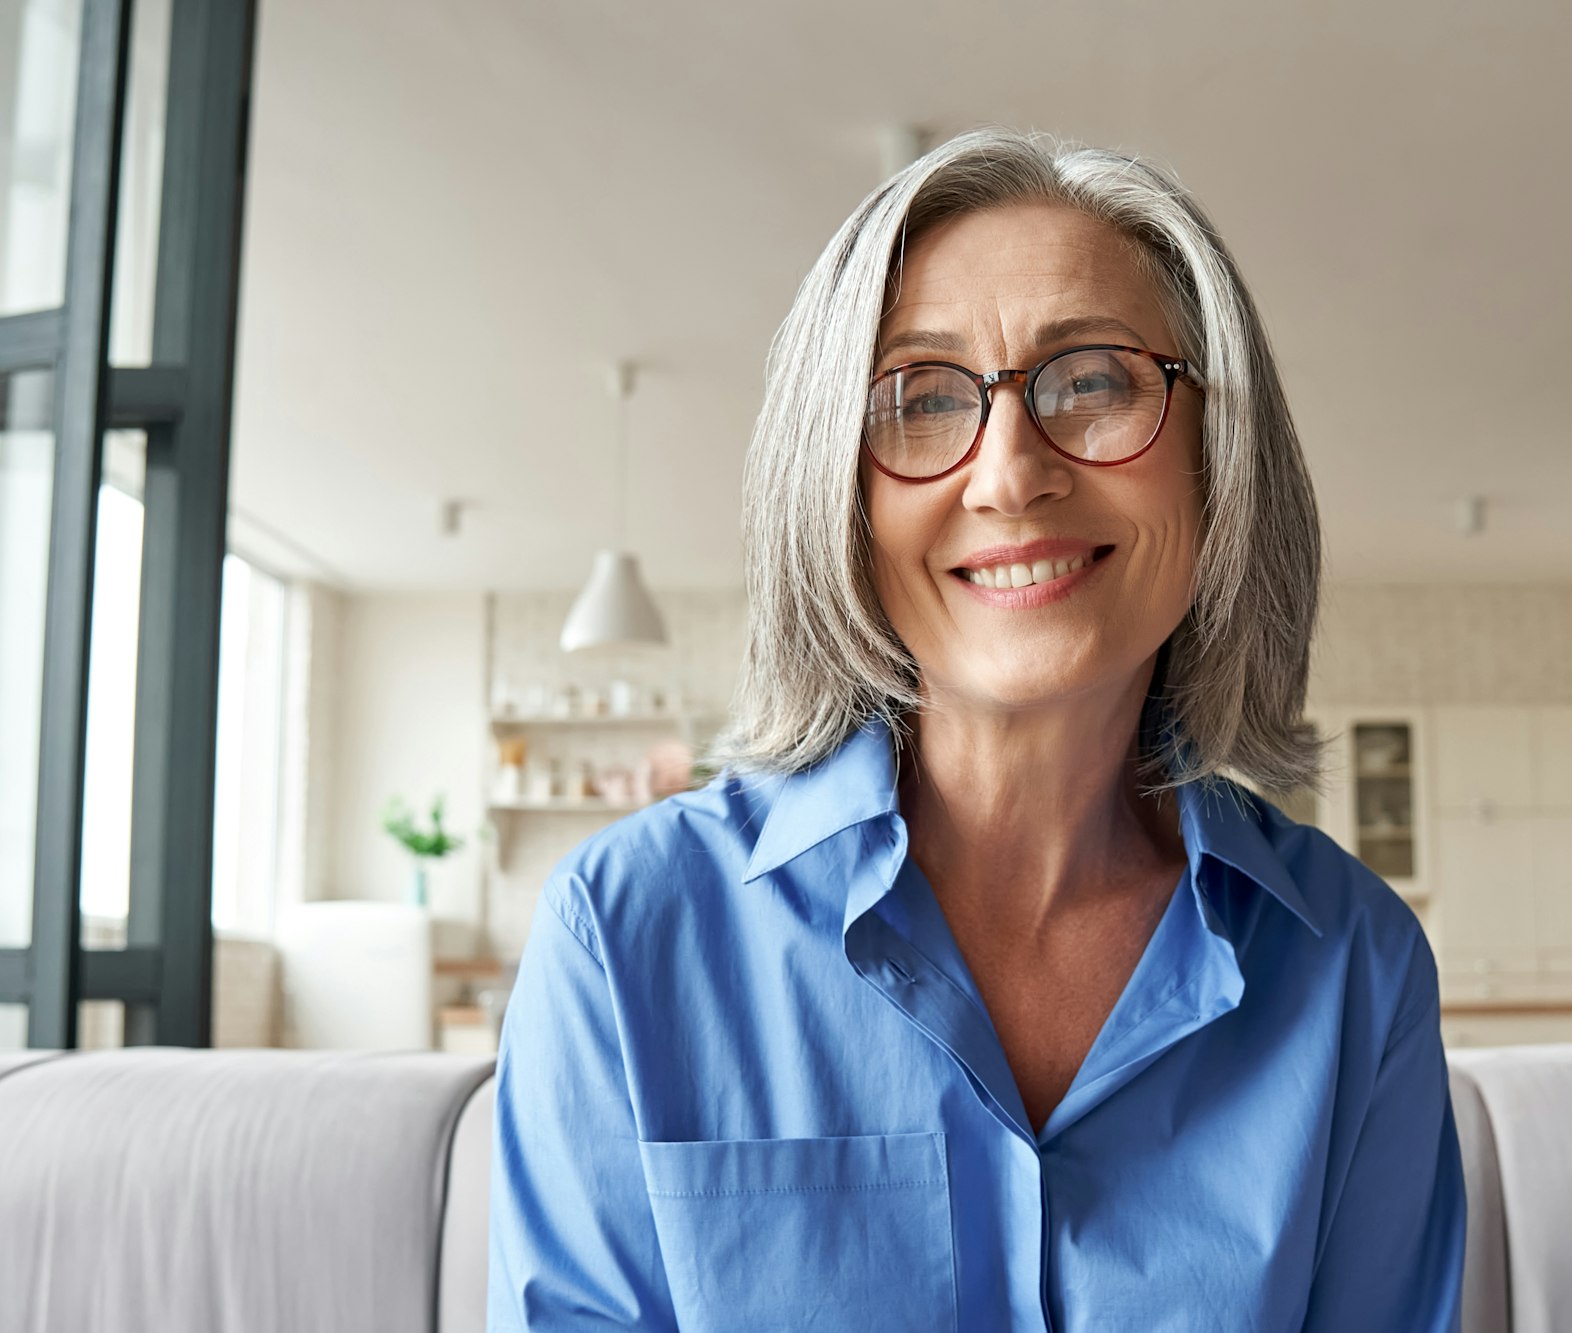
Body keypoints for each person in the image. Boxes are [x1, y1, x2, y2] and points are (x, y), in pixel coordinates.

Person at [488, 128, 1465, 1332]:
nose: (1008, 474)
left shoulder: (1354, 968)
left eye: (1094, 380)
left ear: (1220, 454)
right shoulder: (624, 934)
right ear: (833, 488)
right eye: (917, 398)